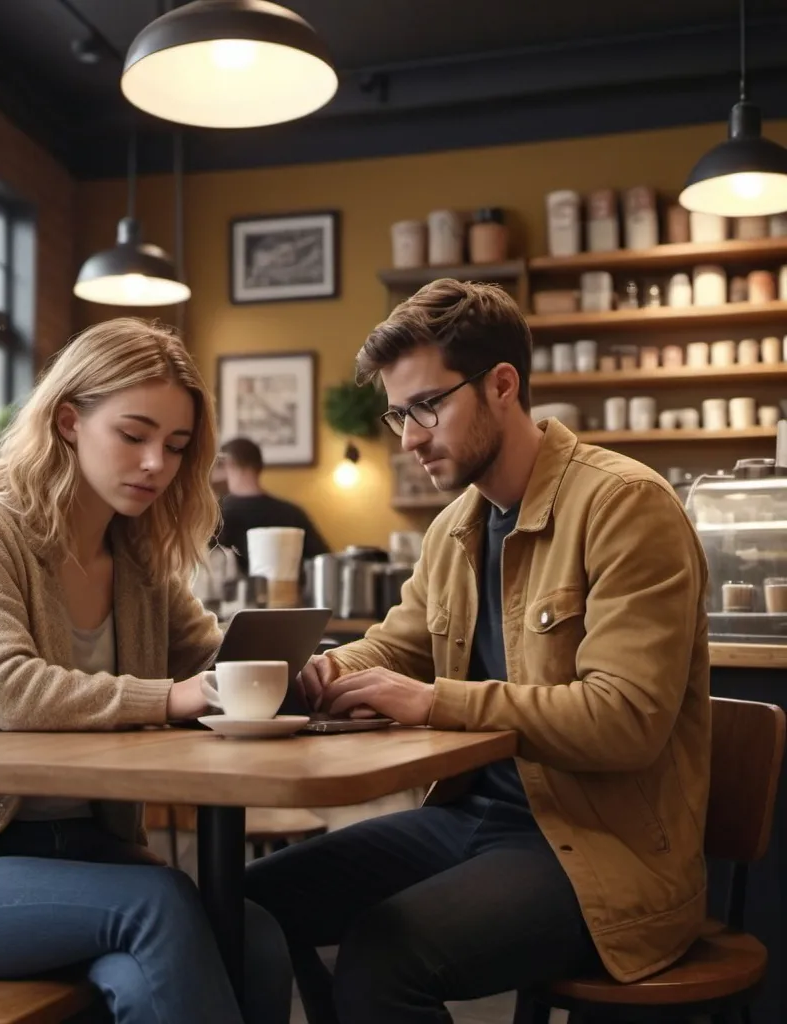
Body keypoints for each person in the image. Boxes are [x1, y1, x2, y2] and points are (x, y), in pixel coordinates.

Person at [245, 279, 711, 1024]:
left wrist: (435, 703)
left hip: (602, 849)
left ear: (502, 385)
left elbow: (626, 719)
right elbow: (397, 647)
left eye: (428, 406)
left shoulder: (626, 504)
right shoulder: (455, 526)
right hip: (469, 821)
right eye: (399, 413)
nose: (409, 438)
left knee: (383, 956)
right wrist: (331, 668)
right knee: (244, 909)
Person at [0, 319, 291, 1024]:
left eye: (178, 446)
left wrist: (308, 672)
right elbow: (10, 688)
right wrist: (175, 695)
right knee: (161, 907)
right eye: (134, 435)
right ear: (69, 419)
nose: (157, 462)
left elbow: (214, 658)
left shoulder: (138, 562)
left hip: (85, 861)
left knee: (255, 938)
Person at [216, 437, 329, 575]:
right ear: (259, 466)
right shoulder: (292, 513)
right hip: (289, 593)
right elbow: (322, 562)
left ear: (228, 464)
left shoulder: (216, 514)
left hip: (231, 595)